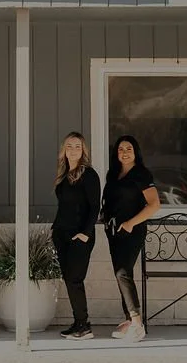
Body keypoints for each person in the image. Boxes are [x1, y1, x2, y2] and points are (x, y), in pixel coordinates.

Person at [101, 134, 161, 342]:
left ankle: (137, 323)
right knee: (121, 274)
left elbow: (154, 205)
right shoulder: (113, 174)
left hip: (132, 230)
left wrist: (130, 223)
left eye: (129, 149)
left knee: (123, 273)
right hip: (113, 231)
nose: (124, 153)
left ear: (136, 152)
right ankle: (128, 318)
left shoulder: (141, 174)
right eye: (120, 149)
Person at [52, 131, 101, 340]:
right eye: (69, 146)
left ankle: (84, 325)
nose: (73, 150)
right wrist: (55, 230)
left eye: (77, 146)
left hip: (80, 236)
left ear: (83, 151)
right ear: (64, 150)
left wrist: (85, 234)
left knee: (75, 279)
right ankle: (78, 322)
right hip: (62, 235)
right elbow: (64, 207)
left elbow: (95, 207)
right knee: (69, 279)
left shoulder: (89, 175)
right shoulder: (64, 174)